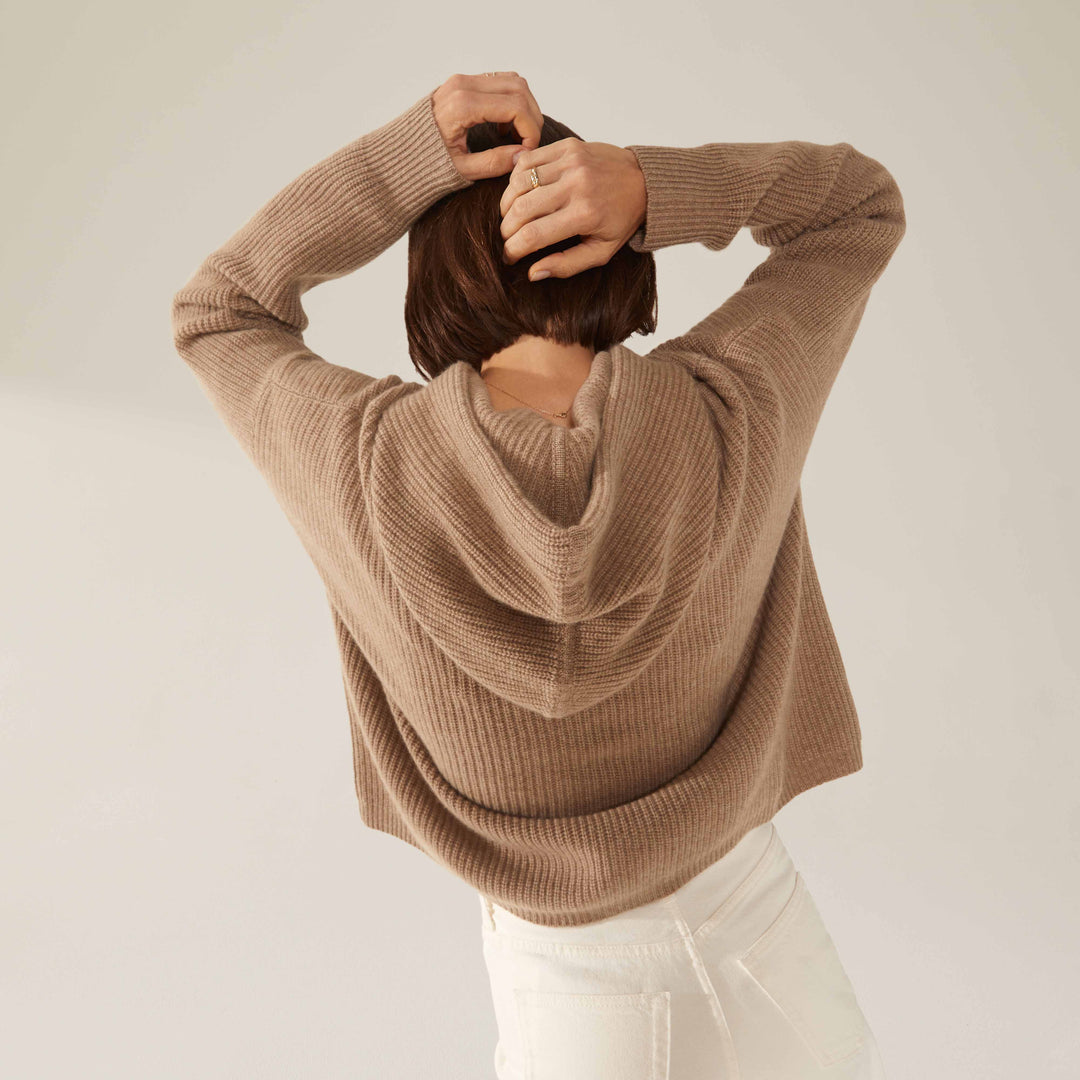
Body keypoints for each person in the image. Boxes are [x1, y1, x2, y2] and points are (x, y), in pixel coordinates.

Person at [171, 70, 905, 1079]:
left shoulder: (367, 468)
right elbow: (856, 206)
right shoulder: (730, 408)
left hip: (570, 1005)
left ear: (433, 278)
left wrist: (406, 161)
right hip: (770, 953)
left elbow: (219, 307)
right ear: (613, 244)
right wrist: (653, 186)